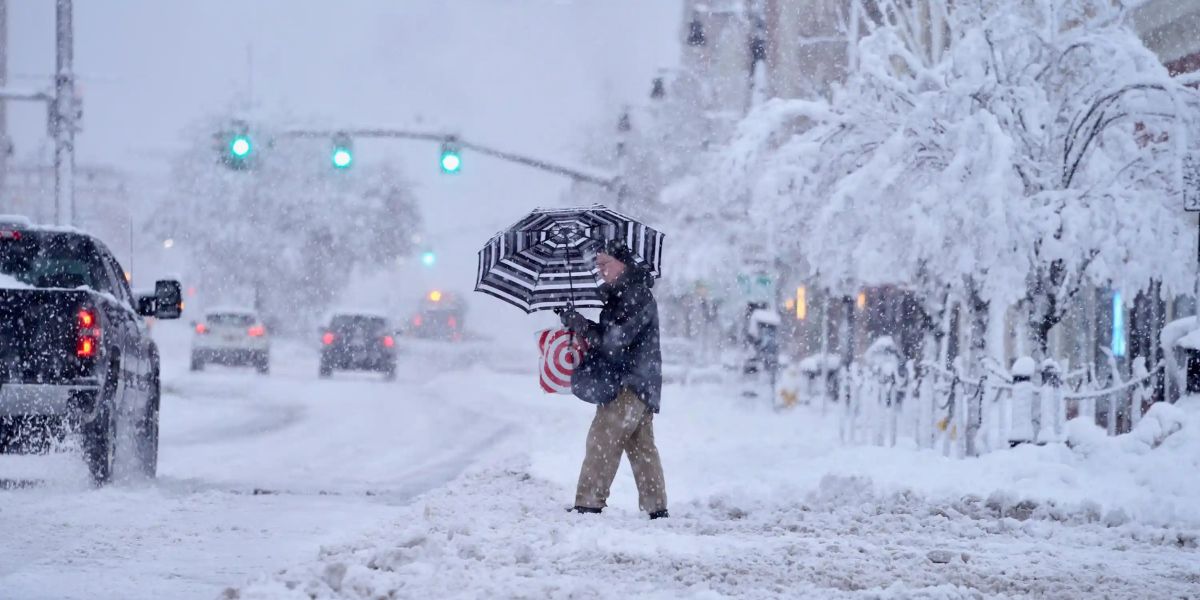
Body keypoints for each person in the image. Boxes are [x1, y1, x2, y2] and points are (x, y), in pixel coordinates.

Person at [558, 239, 667, 520]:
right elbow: (613, 337)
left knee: (602, 440)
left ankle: (588, 504)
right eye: (598, 265)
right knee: (641, 448)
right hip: (641, 383)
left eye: (606, 264)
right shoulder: (626, 295)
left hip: (627, 384)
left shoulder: (634, 296)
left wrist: (580, 324)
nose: (601, 270)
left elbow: (613, 342)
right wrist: (578, 319)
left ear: (624, 263)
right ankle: (656, 509)